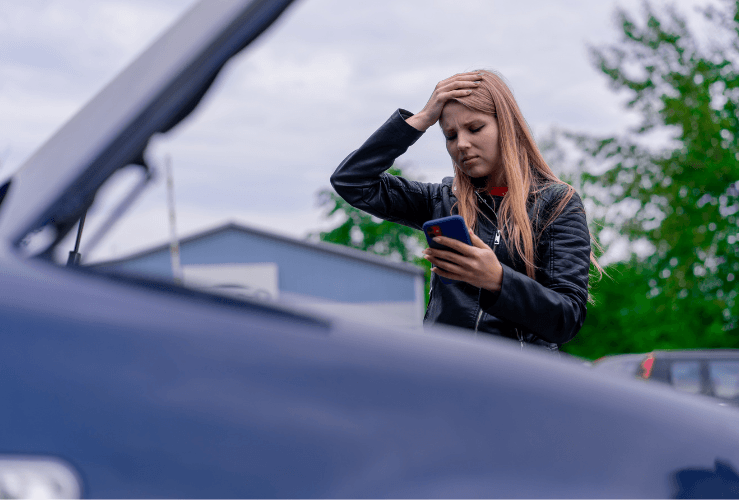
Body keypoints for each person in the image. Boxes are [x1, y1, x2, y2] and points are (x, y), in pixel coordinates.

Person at [330, 70, 600, 352]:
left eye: (475, 128)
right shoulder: (443, 200)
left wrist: (497, 280)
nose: (461, 144)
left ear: (506, 126)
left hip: (519, 383)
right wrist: (421, 119)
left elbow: (567, 318)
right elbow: (352, 180)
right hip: (445, 377)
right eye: (450, 135)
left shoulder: (557, 203)